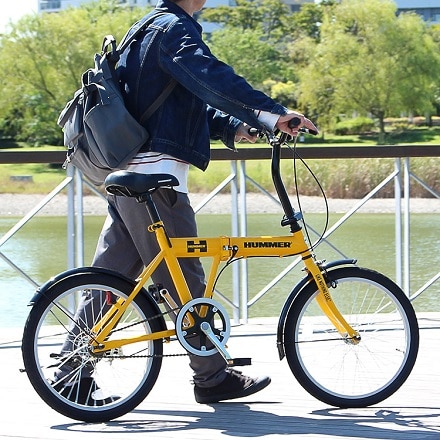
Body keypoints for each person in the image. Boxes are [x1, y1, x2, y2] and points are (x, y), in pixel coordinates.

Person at [56, 0, 319, 405]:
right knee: (185, 278)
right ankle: (212, 378)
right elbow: (211, 76)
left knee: (110, 278)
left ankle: (71, 371)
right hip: (156, 178)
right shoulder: (173, 28)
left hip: (129, 174)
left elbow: (181, 102)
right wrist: (274, 113)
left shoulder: (144, 29)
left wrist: (238, 125)